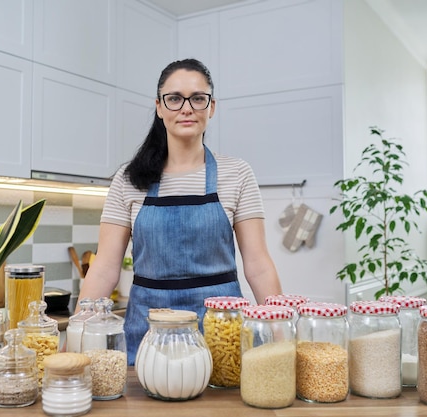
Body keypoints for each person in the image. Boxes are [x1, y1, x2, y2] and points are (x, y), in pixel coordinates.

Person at [76, 58, 282, 364]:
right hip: (148, 339)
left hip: (222, 336)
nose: (187, 108)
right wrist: (77, 333)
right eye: (174, 99)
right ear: (159, 107)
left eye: (198, 98)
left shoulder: (237, 173)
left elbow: (258, 264)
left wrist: (282, 335)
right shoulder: (128, 178)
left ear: (212, 107)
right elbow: (105, 267)